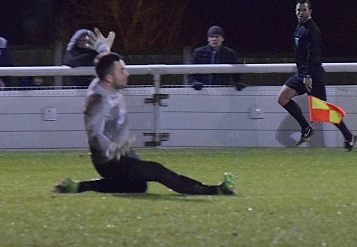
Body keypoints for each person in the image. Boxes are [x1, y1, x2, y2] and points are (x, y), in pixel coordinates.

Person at [53, 51, 235, 195]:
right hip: (111, 161)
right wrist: (111, 148)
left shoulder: (103, 81)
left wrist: (103, 50)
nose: (127, 73)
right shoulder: (99, 100)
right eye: (122, 71)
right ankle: (215, 190)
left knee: (138, 186)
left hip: (124, 154)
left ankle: (79, 187)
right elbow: (94, 134)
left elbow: (104, 66)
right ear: (109, 78)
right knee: (158, 171)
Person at [277, 0, 357, 150]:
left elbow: (313, 56)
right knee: (282, 98)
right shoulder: (299, 28)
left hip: (312, 76)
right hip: (302, 74)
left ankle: (349, 137)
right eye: (298, 10)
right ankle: (306, 128)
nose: (301, 13)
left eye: (304, 10)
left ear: (310, 11)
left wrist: (307, 76)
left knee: (324, 111)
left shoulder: (312, 30)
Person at [188, 25, 246, 90]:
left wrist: (238, 82)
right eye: (211, 37)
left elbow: (237, 71)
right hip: (202, 91)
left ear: (222, 38)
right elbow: (190, 70)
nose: (214, 39)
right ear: (208, 39)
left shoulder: (230, 54)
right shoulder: (198, 53)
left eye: (217, 36)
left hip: (223, 91)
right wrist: (194, 82)